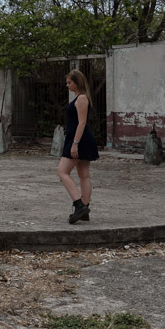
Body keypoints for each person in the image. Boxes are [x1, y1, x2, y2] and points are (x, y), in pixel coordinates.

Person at [59, 69, 99, 224]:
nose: (67, 85)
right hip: (79, 138)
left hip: (79, 139)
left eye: (70, 82)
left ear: (77, 82)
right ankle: (85, 209)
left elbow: (82, 123)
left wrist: (75, 144)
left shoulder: (82, 98)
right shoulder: (79, 97)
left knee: (62, 171)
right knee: (84, 174)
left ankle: (79, 205)